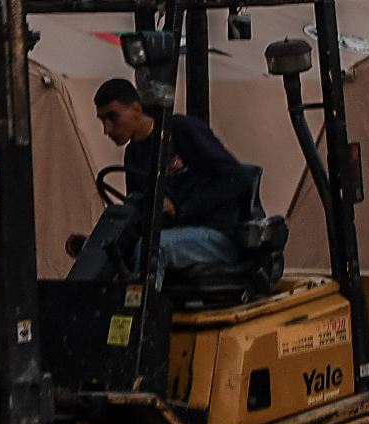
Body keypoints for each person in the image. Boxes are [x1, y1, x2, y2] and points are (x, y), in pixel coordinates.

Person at [70, 78, 254, 286]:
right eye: (102, 120)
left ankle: (143, 313)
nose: (107, 129)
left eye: (113, 117)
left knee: (152, 249)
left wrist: (181, 207)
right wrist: (99, 245)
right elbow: (139, 211)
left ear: (136, 108)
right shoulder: (133, 154)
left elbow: (237, 179)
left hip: (216, 233)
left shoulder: (181, 130)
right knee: (125, 254)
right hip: (172, 234)